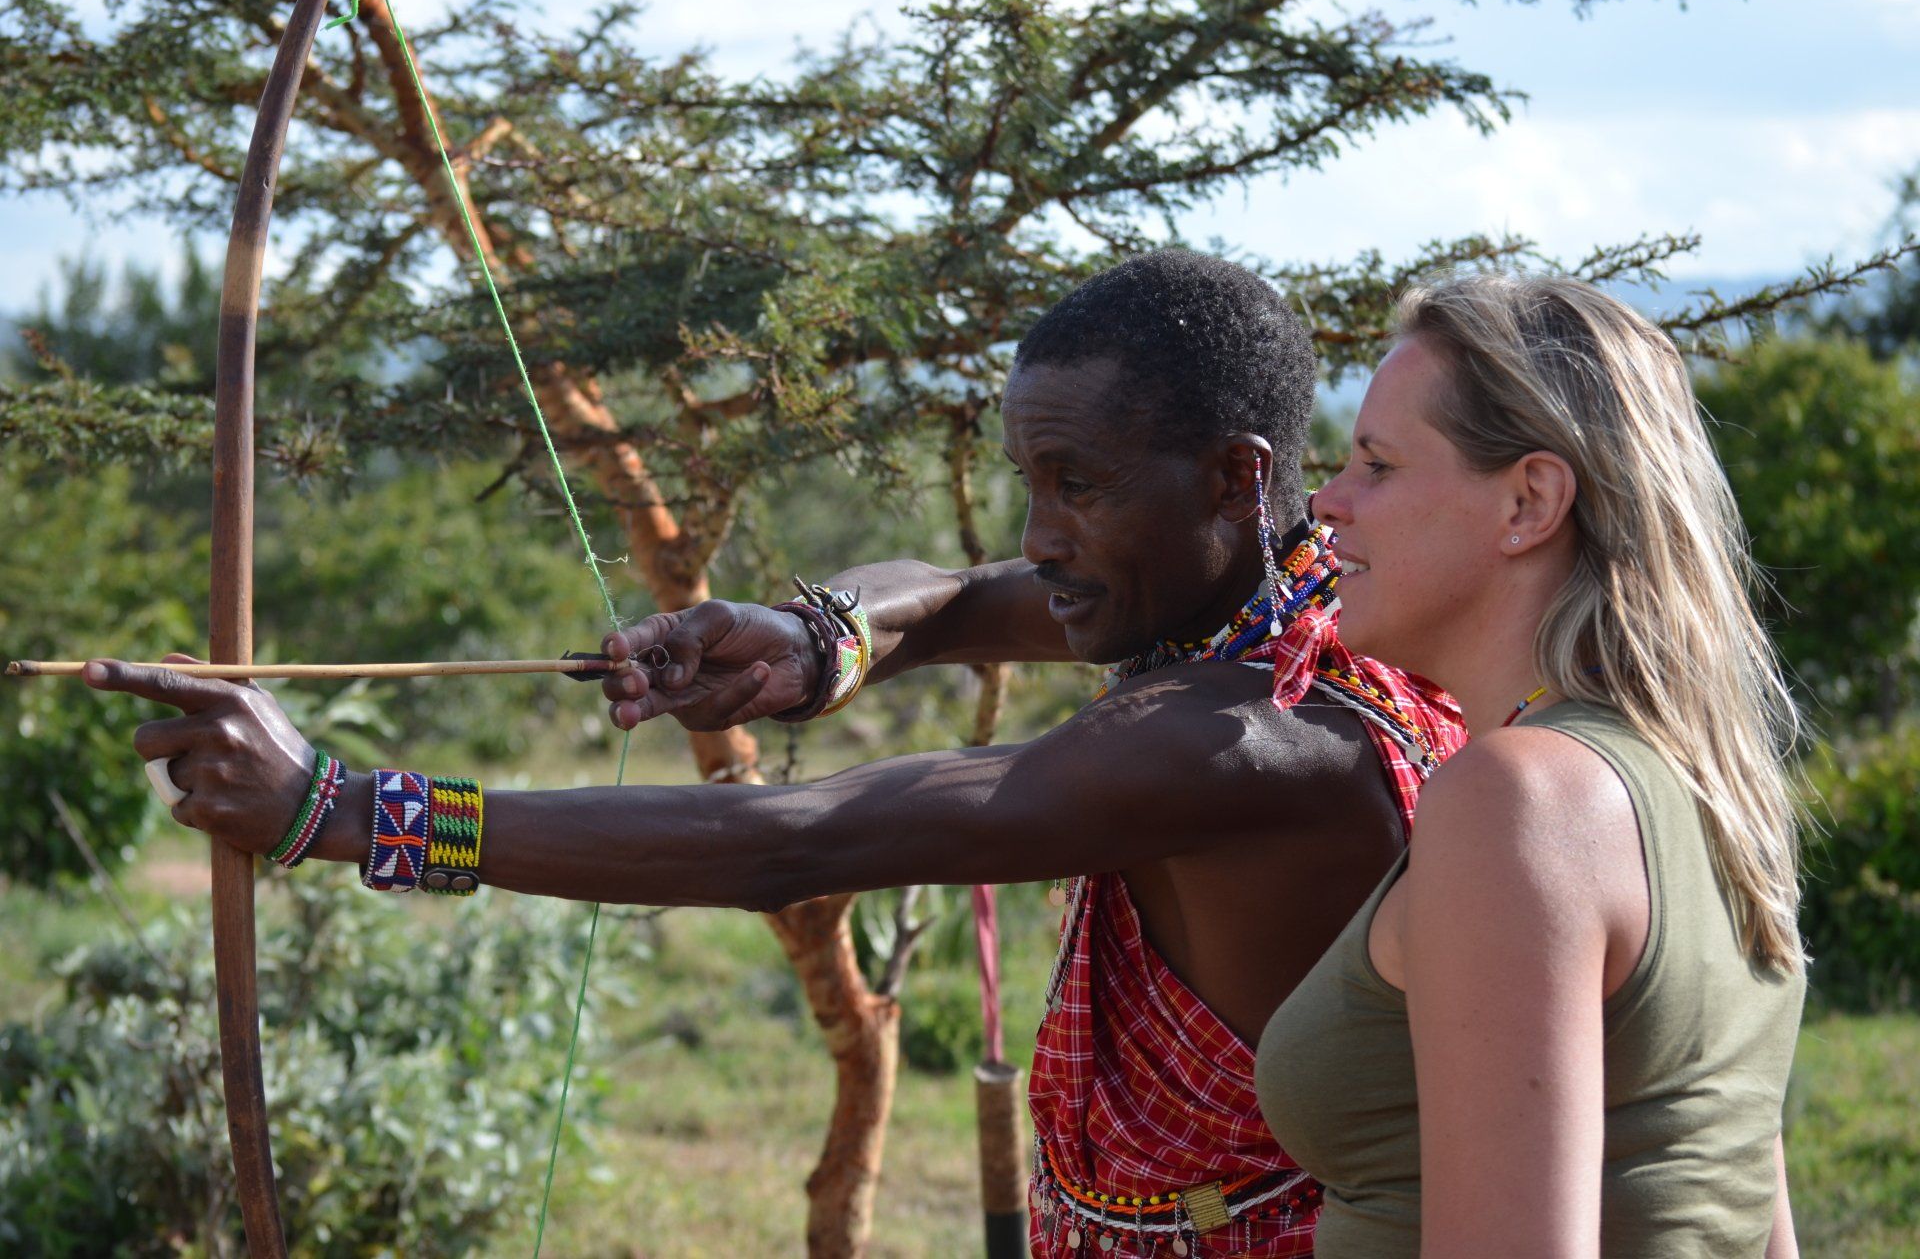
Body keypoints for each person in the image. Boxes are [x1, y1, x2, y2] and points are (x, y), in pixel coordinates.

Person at [88, 249, 1464, 1259]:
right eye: (1030, 482)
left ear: (1235, 476)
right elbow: (964, 596)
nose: (1042, 534)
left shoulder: (1247, 740)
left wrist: (343, 807)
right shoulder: (1305, 606)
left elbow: (791, 842)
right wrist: (812, 643)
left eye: (1079, 486)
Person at [1255, 274, 1805, 1257]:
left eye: (1376, 464)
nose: (1327, 503)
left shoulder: (1521, 801)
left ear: (1530, 501)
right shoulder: (1698, 778)